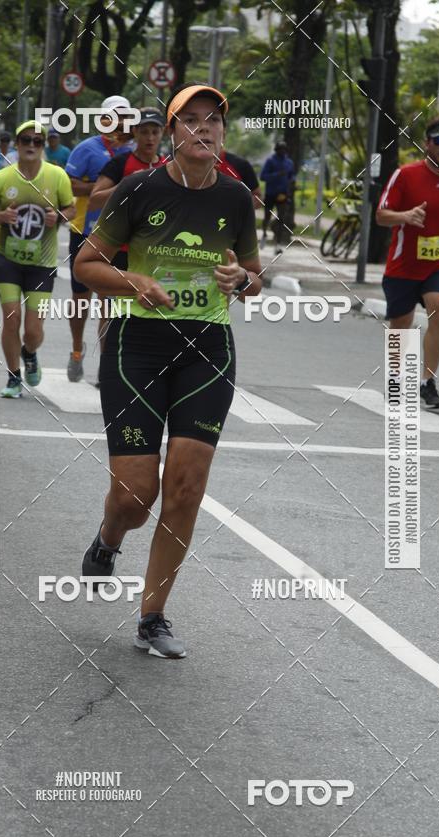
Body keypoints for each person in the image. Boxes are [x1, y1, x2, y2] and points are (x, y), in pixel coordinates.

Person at [74, 83, 262, 659]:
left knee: (186, 486)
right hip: (139, 345)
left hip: (207, 348)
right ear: (173, 133)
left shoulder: (236, 197)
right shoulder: (137, 189)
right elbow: (85, 265)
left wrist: (243, 282)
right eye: (192, 120)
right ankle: (110, 538)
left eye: (214, 121)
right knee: (136, 496)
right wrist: (135, 282)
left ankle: (152, 615)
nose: (204, 129)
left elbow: (252, 276)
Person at [376, 117, 439, 409]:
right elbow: (382, 215)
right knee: (402, 322)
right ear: (427, 143)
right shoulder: (405, 175)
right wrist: (405, 217)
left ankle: (426, 381)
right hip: (404, 264)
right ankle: (396, 376)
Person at [0, 120, 75, 398]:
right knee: (11, 318)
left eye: (38, 141)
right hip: (6, 258)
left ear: (43, 146)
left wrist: (60, 217)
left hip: (42, 264)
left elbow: (70, 208)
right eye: (26, 141)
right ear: (17, 145)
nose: (31, 146)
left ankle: (29, 352)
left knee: (33, 330)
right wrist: (0, 217)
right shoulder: (2, 178)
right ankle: (13, 377)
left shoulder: (57, 176)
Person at [87, 107, 167, 373]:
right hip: (117, 251)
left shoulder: (169, 167)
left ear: (162, 134)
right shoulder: (120, 164)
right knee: (111, 313)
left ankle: (141, 368)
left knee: (148, 313)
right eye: (144, 131)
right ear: (135, 133)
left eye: (155, 132)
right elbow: (95, 199)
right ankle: (107, 368)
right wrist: (125, 185)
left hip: (154, 254)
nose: (149, 138)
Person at [64, 95, 133, 382]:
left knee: (109, 304)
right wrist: (104, 187)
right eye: (112, 116)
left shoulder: (132, 153)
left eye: (123, 116)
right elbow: (70, 185)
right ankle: (77, 350)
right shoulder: (86, 149)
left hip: (116, 238)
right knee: (81, 300)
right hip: (84, 232)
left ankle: (106, 368)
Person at [260, 141, 295, 250]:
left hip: (282, 194)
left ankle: (278, 243)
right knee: (267, 216)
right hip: (270, 193)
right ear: (276, 150)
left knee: (281, 218)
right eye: (280, 149)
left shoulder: (289, 162)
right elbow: (263, 176)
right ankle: (264, 233)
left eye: (284, 149)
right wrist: (276, 175)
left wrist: (293, 182)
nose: (282, 151)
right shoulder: (270, 161)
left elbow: (291, 176)